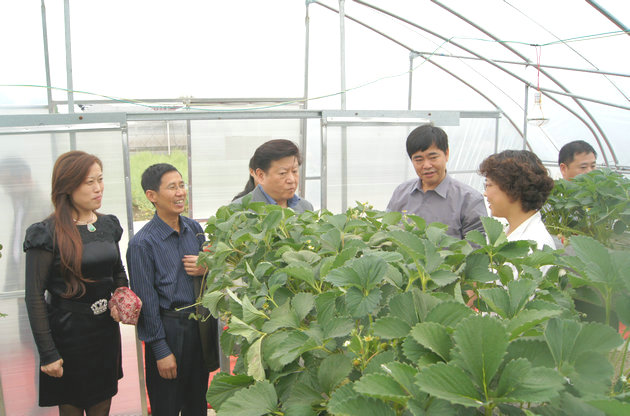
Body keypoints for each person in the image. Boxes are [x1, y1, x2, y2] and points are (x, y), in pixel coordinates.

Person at [23, 150, 127, 414]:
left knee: (102, 403)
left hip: (104, 333)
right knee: (71, 405)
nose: (98, 188)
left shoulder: (107, 225)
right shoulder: (46, 233)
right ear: (68, 186)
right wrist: (48, 353)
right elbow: (34, 296)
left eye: (100, 180)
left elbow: (117, 270)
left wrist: (122, 297)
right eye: (89, 182)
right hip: (68, 336)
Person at [126, 163, 217, 416]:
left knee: (197, 403)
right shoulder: (142, 243)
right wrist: (161, 350)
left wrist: (206, 267)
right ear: (152, 196)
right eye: (172, 187)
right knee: (166, 405)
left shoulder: (194, 229)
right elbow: (147, 303)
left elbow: (208, 276)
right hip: (168, 329)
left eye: (182, 185)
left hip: (197, 326)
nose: (180, 193)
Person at [386, 124, 487, 239]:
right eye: (419, 160)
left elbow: (475, 246)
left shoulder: (469, 200)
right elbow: (388, 231)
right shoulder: (401, 192)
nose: (427, 165)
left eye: (433, 157)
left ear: (446, 154)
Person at [479, 149, 555, 249]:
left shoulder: (535, 244)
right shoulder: (508, 231)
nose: (485, 194)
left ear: (512, 188)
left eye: (489, 185)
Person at [232, 139, 314, 212]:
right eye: (283, 173)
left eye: (294, 171)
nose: (292, 180)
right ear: (261, 175)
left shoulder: (306, 207)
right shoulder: (239, 211)